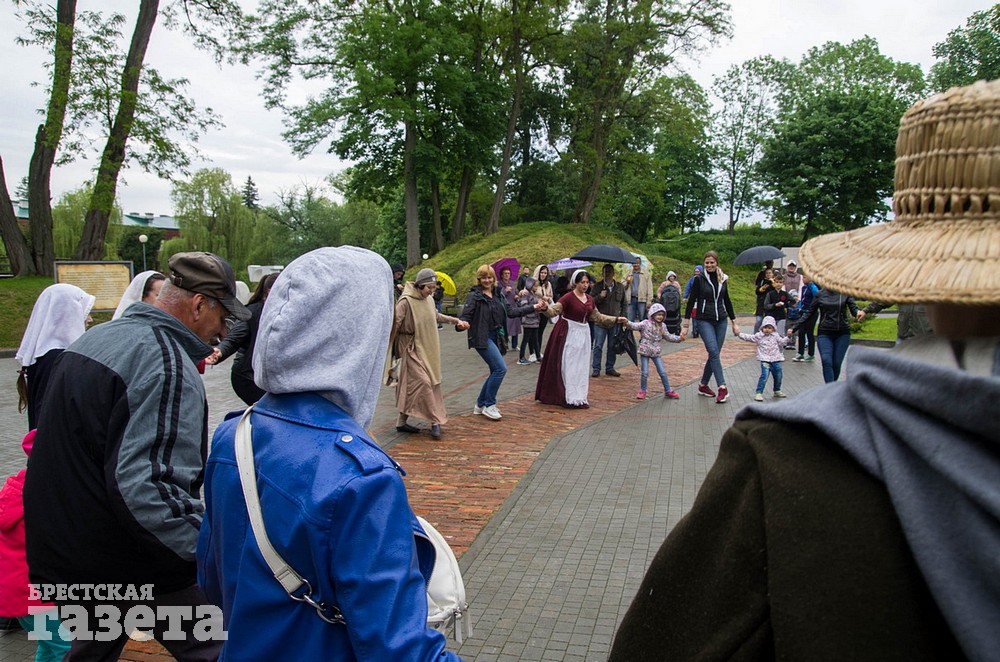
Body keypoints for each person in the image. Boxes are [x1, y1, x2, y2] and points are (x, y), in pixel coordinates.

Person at [610, 80, 1000, 661]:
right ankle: (716, 374)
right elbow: (720, 305)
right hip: (730, 326)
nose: (714, 262)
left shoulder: (790, 455)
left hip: (781, 350)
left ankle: (718, 377)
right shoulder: (700, 281)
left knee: (767, 364)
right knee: (741, 356)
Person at [197, 247, 462, 661]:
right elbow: (399, 650)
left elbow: (213, 579)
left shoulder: (234, 434)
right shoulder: (362, 478)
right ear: (360, 338)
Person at [23, 251, 249, 661]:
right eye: (223, 317)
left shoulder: (100, 337)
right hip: (124, 557)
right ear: (199, 305)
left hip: (68, 550)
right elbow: (148, 487)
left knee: (91, 649)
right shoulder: (163, 359)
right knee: (220, 646)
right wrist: (214, 549)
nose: (222, 331)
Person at [0, 430, 71, 662]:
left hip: (16, 596)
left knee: (48, 646)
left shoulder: (17, 489)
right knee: (67, 647)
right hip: (36, 596)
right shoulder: (44, 500)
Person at [389, 268, 468, 438]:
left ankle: (401, 422)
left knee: (420, 384)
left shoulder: (429, 300)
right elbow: (394, 323)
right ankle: (435, 421)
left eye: (434, 288)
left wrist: (454, 320)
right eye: (429, 288)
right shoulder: (405, 301)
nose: (431, 292)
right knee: (422, 383)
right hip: (409, 347)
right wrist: (390, 349)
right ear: (419, 285)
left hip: (426, 346)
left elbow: (435, 316)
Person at [459, 264, 546, 420]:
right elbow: (466, 316)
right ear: (479, 279)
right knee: (500, 369)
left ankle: (480, 404)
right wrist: (461, 325)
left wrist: (534, 307)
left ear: (494, 279)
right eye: (484, 277)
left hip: (497, 336)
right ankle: (489, 404)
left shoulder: (498, 294)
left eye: (489, 277)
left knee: (495, 370)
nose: (487, 280)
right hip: (481, 337)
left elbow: (511, 312)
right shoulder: (475, 296)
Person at [535, 270, 626, 408]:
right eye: (582, 282)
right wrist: (545, 308)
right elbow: (553, 311)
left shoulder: (589, 299)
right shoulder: (568, 298)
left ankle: (579, 396)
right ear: (575, 283)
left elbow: (598, 317)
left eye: (587, 282)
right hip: (568, 333)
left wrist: (616, 319)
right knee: (569, 365)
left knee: (581, 367)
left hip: (583, 334)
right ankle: (568, 396)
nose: (585, 285)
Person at [15, 283, 95, 431]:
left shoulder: (45, 354)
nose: (89, 319)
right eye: (85, 311)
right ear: (67, 312)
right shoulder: (57, 357)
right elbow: (47, 413)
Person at [205, 272, 280, 406]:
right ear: (270, 291)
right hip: (247, 377)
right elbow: (233, 339)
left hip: (269, 376)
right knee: (273, 409)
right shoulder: (252, 313)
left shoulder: (285, 312)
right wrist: (219, 351)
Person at [683, 251, 740, 403]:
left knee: (714, 354)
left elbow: (727, 300)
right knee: (713, 351)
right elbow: (691, 301)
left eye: (712, 262)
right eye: (707, 263)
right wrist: (686, 323)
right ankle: (722, 387)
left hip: (721, 320)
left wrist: (734, 322)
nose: (709, 265)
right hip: (704, 320)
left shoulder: (723, 279)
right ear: (704, 264)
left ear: (716, 263)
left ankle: (703, 385)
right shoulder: (699, 280)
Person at [788, 286, 861, 383]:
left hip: (842, 333)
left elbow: (854, 309)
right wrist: (794, 327)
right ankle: (830, 389)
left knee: (836, 363)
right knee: (826, 360)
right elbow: (809, 313)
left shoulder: (845, 292)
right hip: (825, 333)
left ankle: (831, 387)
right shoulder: (820, 294)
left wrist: (859, 313)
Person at [625, 303, 685, 399]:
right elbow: (634, 326)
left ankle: (668, 390)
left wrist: (679, 339)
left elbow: (668, 336)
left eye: (662, 315)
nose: (660, 317)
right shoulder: (645, 323)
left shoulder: (663, 326)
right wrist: (626, 322)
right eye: (658, 315)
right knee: (644, 372)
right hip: (645, 350)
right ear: (652, 314)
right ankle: (643, 390)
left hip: (656, 352)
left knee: (662, 371)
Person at [737, 314, 792, 401]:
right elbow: (750, 338)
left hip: (776, 359)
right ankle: (759, 393)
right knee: (764, 376)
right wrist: (739, 334)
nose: (767, 330)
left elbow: (782, 342)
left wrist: (788, 337)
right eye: (765, 327)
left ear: (773, 328)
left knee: (778, 375)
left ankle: (777, 390)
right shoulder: (759, 336)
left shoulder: (776, 336)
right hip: (765, 359)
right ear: (762, 327)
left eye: (770, 328)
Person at [591, 263, 628, 378]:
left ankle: (610, 367)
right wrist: (600, 297)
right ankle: (596, 368)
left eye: (609, 272)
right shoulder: (597, 286)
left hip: (615, 321)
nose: (607, 274)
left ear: (613, 273)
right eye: (605, 272)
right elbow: (591, 302)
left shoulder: (620, 287)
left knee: (612, 345)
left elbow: (624, 303)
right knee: (598, 345)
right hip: (600, 321)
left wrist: (623, 317)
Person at [859, 301, 932, 344]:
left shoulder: (932, 285)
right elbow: (886, 299)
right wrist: (866, 310)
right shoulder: (903, 286)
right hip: (903, 338)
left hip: (926, 341)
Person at [792, 273, 819, 361]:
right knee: (801, 332)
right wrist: (800, 307)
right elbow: (803, 299)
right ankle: (800, 353)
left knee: (809, 332)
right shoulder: (804, 287)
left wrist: (811, 308)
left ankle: (811, 353)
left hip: (811, 313)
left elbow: (817, 297)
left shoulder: (813, 287)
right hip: (803, 312)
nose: (803, 279)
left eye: (805, 277)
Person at [516, 276, 543, 365]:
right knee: (526, 339)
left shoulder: (534, 294)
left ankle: (538, 356)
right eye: (535, 286)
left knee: (535, 339)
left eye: (537, 286)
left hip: (535, 320)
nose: (536, 288)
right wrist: (534, 307)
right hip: (528, 320)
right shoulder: (526, 294)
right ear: (530, 285)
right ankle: (521, 357)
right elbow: (524, 307)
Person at [498, 266, 521, 352]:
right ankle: (505, 344)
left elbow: (515, 292)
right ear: (502, 275)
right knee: (506, 327)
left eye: (508, 273)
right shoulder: (499, 284)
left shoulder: (512, 283)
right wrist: (505, 291)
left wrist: (516, 296)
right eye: (505, 274)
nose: (507, 275)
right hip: (504, 308)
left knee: (515, 326)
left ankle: (515, 345)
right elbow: (498, 295)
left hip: (514, 306)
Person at [623, 257, 653, 322]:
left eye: (637, 263)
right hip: (630, 299)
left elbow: (649, 288)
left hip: (642, 300)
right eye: (634, 263)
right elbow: (622, 285)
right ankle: (629, 332)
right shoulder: (628, 273)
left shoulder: (646, 273)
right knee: (630, 319)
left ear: (640, 264)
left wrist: (649, 300)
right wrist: (627, 283)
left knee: (643, 319)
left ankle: (643, 332)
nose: (636, 265)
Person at [533, 264, 554, 351]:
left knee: (540, 332)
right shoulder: (533, 282)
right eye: (541, 272)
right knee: (534, 332)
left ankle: (538, 351)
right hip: (535, 310)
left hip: (544, 311)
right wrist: (541, 295)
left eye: (545, 273)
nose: (543, 274)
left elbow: (551, 297)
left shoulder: (548, 284)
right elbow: (529, 294)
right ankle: (533, 351)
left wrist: (548, 298)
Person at [655, 271, 683, 335]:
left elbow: (679, 292)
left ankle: (676, 327)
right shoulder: (664, 284)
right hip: (665, 303)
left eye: (673, 276)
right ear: (668, 277)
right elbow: (659, 291)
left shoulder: (676, 284)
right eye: (671, 276)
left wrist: (678, 298)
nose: (672, 278)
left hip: (674, 303)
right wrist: (660, 297)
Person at [753, 267, 775, 333]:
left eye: (770, 273)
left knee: (768, 321)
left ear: (772, 274)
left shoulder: (774, 281)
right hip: (761, 304)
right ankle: (756, 334)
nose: (768, 274)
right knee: (759, 320)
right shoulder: (762, 281)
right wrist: (762, 288)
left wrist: (772, 282)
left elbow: (777, 290)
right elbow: (757, 291)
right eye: (767, 273)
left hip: (769, 304)